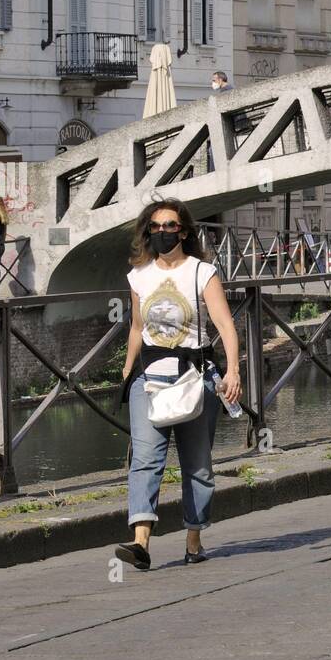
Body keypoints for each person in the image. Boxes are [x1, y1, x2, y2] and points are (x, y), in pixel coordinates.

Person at [114, 199, 242, 571]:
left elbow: (225, 325)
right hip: (150, 379)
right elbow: (137, 328)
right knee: (145, 460)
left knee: (197, 465)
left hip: (195, 378)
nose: (162, 232)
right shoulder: (138, 276)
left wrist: (232, 370)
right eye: (155, 227)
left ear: (184, 231)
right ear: (147, 231)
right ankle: (140, 542)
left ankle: (193, 538)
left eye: (170, 226)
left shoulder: (202, 272)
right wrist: (126, 370)